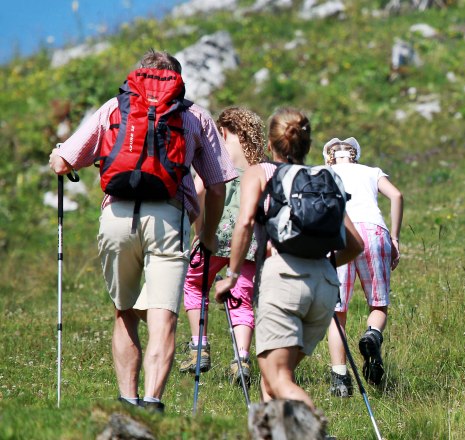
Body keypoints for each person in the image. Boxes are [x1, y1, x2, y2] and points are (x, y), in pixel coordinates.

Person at [48, 50, 236, 413]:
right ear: (177, 80)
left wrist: (60, 152)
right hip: (169, 218)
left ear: (138, 76)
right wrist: (208, 235)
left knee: (125, 311)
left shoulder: (114, 108)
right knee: (164, 314)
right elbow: (216, 184)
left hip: (117, 216)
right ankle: (152, 403)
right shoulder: (193, 115)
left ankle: (126, 400)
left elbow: (63, 161)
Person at [214, 108, 363, 409]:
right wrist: (324, 265)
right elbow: (356, 244)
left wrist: (230, 277)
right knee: (273, 380)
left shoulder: (260, 172)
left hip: (283, 280)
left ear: (269, 144)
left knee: (279, 378)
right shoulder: (325, 177)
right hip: (324, 285)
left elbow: (243, 223)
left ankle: (316, 430)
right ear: (308, 146)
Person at [167, 106, 266, 386]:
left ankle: (199, 348)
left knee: (195, 285)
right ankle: (241, 358)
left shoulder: (218, 156)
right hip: (249, 241)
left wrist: (200, 229)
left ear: (223, 131)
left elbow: (200, 189)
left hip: (217, 234)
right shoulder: (261, 162)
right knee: (242, 299)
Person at [322, 137, 403, 396]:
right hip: (374, 231)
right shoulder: (371, 171)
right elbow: (396, 195)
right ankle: (373, 335)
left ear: (329, 157)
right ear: (355, 155)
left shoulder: (323, 173)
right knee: (378, 304)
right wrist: (395, 238)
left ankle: (340, 378)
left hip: (339, 234)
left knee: (337, 312)